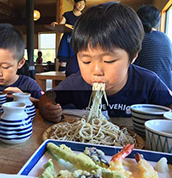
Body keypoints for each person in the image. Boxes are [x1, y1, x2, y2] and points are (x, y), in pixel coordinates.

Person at [39, 2, 172, 123]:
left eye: (108, 61)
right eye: (86, 61)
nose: (96, 70)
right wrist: (47, 108)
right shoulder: (77, 83)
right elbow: (48, 97)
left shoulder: (147, 83)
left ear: (133, 57)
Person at [134, 5, 172, 90]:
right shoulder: (166, 39)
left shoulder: (136, 38)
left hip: (144, 93)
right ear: (158, 22)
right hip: (166, 92)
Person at [51, 0, 86, 72]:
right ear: (75, 3)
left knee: (77, 62)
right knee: (63, 62)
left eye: (83, 4)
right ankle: (61, 81)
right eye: (80, 3)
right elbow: (61, 25)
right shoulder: (67, 15)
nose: (81, 5)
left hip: (77, 41)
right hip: (66, 40)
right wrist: (55, 24)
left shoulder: (84, 17)